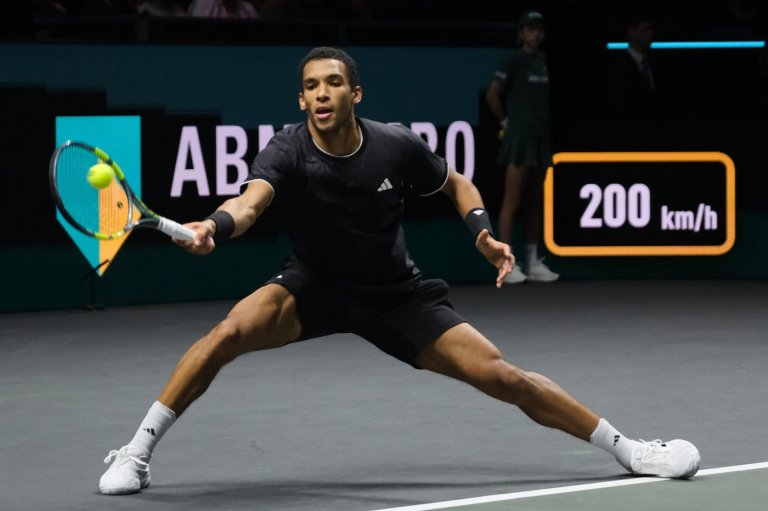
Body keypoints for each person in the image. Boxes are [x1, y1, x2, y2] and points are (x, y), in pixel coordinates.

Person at [98, 46, 700, 495]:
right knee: (226, 335)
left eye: (335, 82)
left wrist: (483, 233)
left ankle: (631, 450)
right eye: (312, 86)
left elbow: (457, 183)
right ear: (302, 100)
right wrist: (214, 227)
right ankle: (136, 452)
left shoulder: (395, 145)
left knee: (504, 377)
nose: (323, 93)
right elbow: (249, 202)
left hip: (396, 297)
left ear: (355, 94)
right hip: (313, 287)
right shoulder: (285, 150)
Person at [485, 10, 558, 284]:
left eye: (539, 30)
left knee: (535, 203)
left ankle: (533, 261)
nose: (535, 34)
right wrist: (507, 123)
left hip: (540, 138)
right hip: (519, 138)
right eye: (530, 29)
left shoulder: (542, 60)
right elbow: (493, 95)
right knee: (511, 202)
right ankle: (507, 263)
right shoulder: (512, 60)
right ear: (521, 33)